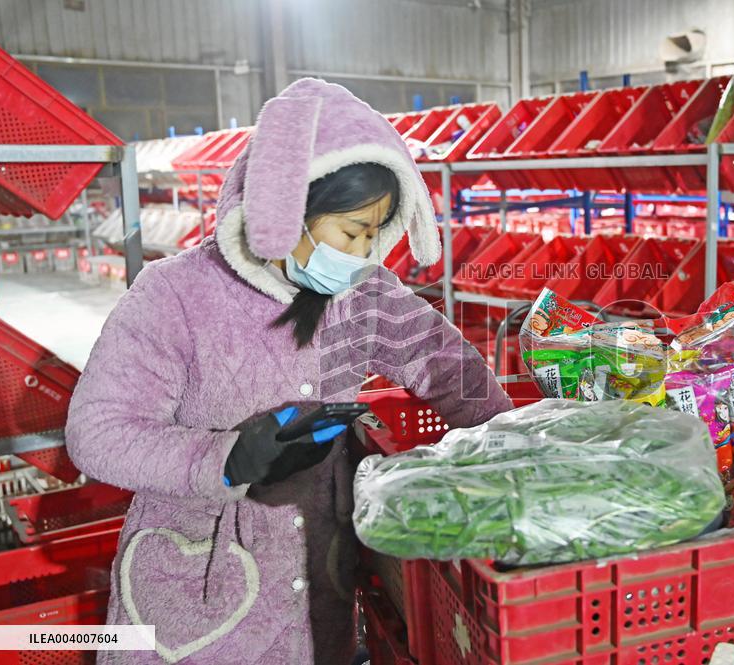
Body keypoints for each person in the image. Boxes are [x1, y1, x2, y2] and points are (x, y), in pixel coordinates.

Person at [65, 79, 513, 664]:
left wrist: (514, 449)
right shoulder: (175, 295)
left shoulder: (364, 297)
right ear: (285, 209)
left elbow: (447, 368)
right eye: (351, 232)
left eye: (376, 234)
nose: (361, 254)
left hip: (312, 602)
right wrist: (226, 460)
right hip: (194, 606)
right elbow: (97, 433)